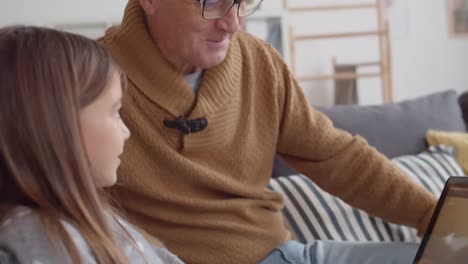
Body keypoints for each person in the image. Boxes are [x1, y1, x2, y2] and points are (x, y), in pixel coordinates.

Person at [100, 0, 438, 263]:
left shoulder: (259, 61)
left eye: (242, 2)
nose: (232, 24)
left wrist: (433, 217)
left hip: (288, 255)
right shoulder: (88, 81)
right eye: (212, 2)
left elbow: (339, 157)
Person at [0, 26, 184, 264]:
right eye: (116, 112)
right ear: (59, 125)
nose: (126, 132)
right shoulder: (33, 242)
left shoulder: (91, 219)